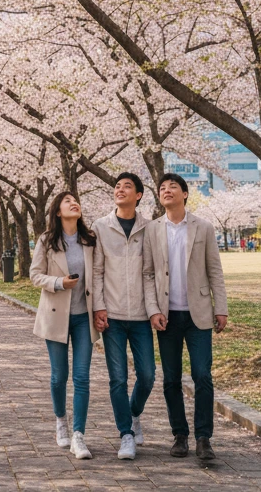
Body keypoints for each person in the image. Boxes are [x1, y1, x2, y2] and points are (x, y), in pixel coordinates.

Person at [143, 173, 228, 462]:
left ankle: (204, 437)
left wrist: (221, 307)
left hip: (199, 314)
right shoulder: (152, 230)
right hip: (167, 315)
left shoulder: (202, 227)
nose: (167, 191)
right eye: (162, 188)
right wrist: (153, 309)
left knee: (202, 375)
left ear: (185, 194)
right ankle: (180, 434)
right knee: (171, 379)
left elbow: (214, 269)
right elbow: (147, 273)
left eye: (173, 187)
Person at [30, 190, 100, 461]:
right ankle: (61, 419)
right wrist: (59, 283)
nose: (74, 203)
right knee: (59, 376)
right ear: (58, 212)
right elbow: (35, 275)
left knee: (82, 377)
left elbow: (99, 273)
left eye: (76, 200)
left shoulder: (90, 239)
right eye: (67, 201)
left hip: (84, 316)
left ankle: (78, 435)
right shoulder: (47, 240)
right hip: (56, 314)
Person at [92, 172, 154, 461]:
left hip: (142, 316)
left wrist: (154, 310)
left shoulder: (149, 229)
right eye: (117, 186)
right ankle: (125, 434)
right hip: (113, 316)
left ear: (138, 195)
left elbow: (151, 273)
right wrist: (99, 307)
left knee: (148, 376)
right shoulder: (101, 227)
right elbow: (97, 271)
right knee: (117, 378)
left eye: (127, 186)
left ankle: (134, 413)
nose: (120, 190)